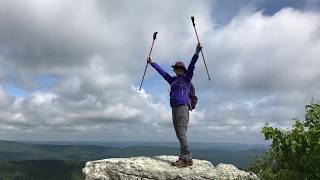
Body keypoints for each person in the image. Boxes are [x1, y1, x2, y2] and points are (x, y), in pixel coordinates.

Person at [147, 43, 202, 168]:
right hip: (174, 108)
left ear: (183, 70)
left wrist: (196, 53)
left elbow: (192, 66)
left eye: (180, 68)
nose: (178, 70)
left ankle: (186, 158)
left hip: (183, 108)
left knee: (181, 133)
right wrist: (152, 63)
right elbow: (162, 72)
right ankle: (186, 158)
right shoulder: (172, 80)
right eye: (176, 68)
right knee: (179, 134)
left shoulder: (186, 79)